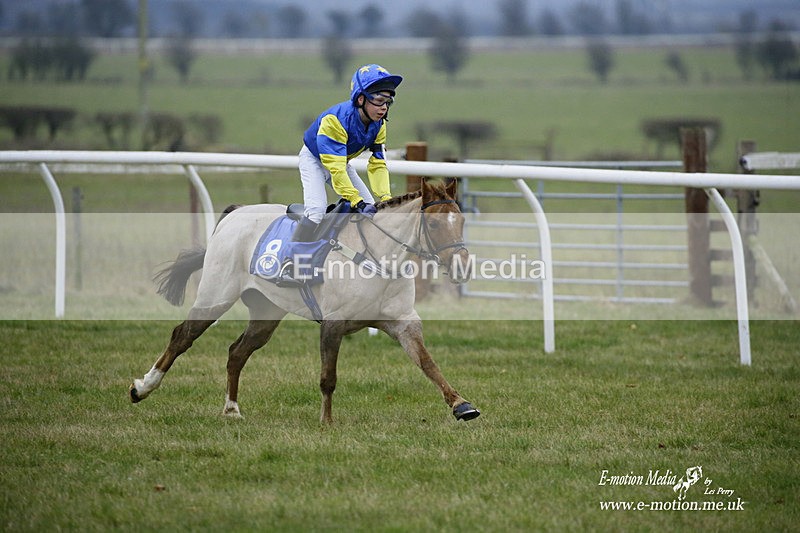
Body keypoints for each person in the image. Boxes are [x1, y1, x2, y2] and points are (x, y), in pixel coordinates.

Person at [291, 63, 403, 242]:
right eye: (379, 100)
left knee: (372, 210)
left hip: (341, 162)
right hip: (314, 160)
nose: (384, 108)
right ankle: (291, 258)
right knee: (316, 212)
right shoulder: (335, 121)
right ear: (360, 99)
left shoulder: (379, 124)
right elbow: (335, 170)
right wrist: (355, 200)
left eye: (388, 102)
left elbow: (378, 164)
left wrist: (385, 198)